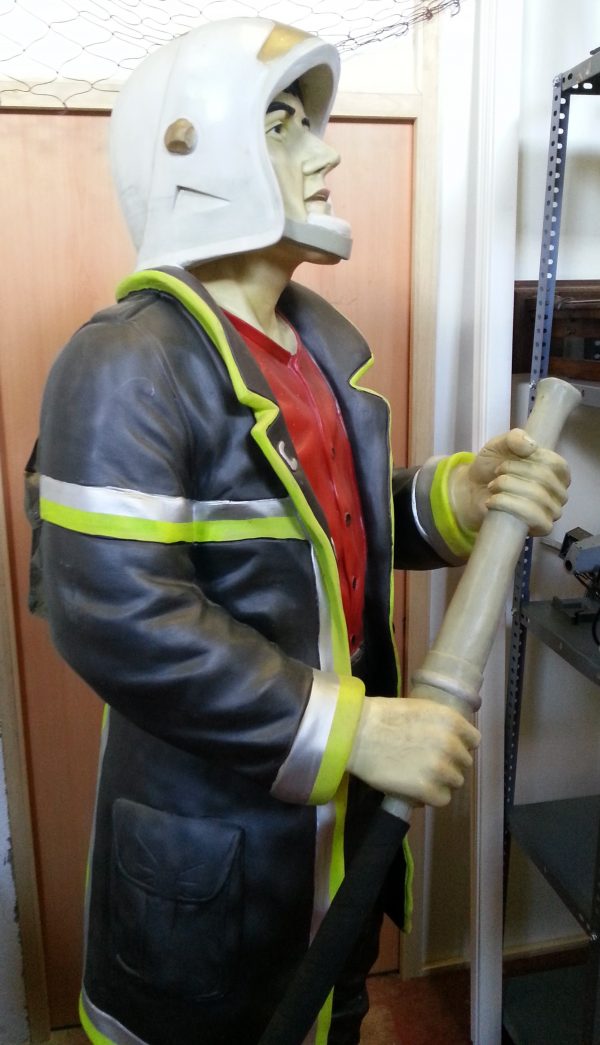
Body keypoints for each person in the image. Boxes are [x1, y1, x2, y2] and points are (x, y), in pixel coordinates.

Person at [26, 17, 569, 1045]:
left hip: (335, 842)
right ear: (193, 149)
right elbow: (119, 618)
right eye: (283, 126)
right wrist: (354, 731)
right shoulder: (126, 364)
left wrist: (457, 495)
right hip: (212, 861)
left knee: (330, 1012)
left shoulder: (310, 350)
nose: (325, 155)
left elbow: (329, 527)